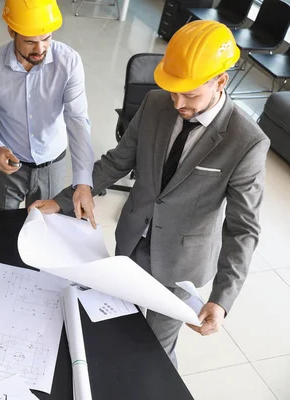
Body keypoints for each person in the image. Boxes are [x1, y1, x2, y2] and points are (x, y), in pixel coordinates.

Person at [30, 20, 270, 368]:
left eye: (190, 94)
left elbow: (243, 229)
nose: (178, 103)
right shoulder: (156, 103)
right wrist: (65, 199)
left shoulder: (246, 142)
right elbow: (116, 162)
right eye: (174, 91)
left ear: (221, 81)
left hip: (180, 266)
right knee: (114, 324)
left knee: (155, 351)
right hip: (131, 241)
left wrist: (221, 299)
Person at [0, 0, 97, 227]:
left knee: (45, 231)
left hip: (52, 165)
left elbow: (77, 121)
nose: (40, 49)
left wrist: (83, 182)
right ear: (11, 31)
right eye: (29, 42)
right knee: (0, 229)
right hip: (8, 167)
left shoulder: (69, 62)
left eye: (46, 38)